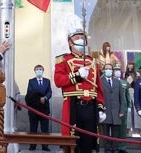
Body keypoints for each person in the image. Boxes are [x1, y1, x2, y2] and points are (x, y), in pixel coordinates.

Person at [54, 13, 106, 153]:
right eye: (77, 38)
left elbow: (98, 88)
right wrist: (77, 75)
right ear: (70, 42)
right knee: (72, 144)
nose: (81, 40)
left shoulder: (92, 61)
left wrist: (100, 107)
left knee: (89, 143)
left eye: (83, 37)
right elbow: (58, 81)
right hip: (73, 105)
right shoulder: (63, 60)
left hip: (91, 106)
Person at [25, 64, 52, 151]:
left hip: (44, 108)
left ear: (43, 71)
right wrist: (39, 98)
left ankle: (45, 146)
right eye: (37, 69)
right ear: (35, 71)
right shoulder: (31, 81)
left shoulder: (47, 81)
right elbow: (30, 93)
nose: (39, 71)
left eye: (40, 69)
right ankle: (32, 146)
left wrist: (45, 98)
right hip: (34, 108)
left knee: (45, 128)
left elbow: (49, 92)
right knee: (33, 128)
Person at [100, 63, 124, 153]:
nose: (108, 70)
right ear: (104, 70)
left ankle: (115, 149)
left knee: (115, 133)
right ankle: (107, 149)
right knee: (105, 133)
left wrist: (121, 110)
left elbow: (121, 98)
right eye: (107, 69)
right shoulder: (100, 81)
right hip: (105, 111)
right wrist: (100, 110)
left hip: (116, 112)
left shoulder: (117, 81)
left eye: (110, 69)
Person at [113, 63, 131, 153]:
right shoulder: (112, 81)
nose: (117, 72)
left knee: (123, 128)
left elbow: (127, 95)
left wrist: (129, 106)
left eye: (118, 70)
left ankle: (122, 147)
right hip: (114, 108)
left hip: (123, 108)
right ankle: (114, 146)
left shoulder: (124, 82)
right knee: (115, 128)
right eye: (115, 70)